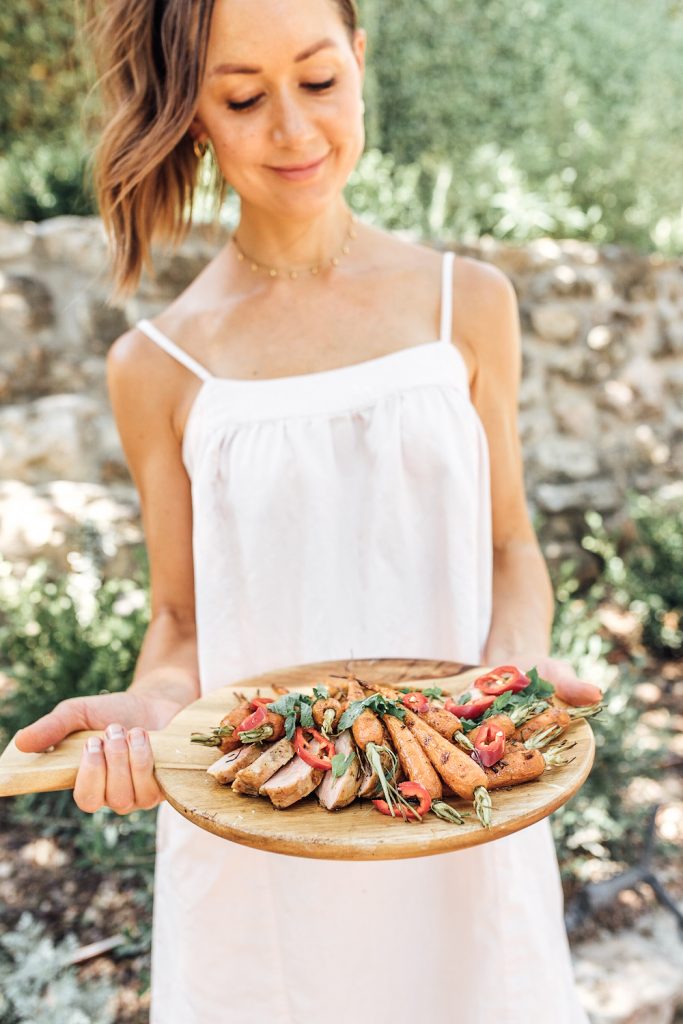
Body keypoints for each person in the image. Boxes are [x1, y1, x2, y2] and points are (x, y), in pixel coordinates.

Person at [16, 0, 601, 1020]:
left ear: (361, 64)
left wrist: (514, 668)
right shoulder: (156, 365)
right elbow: (183, 619)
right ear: (192, 113)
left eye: (319, 81)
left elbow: (510, 544)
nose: (291, 128)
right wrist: (158, 708)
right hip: (260, 841)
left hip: (458, 810)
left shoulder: (468, 302)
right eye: (243, 98)